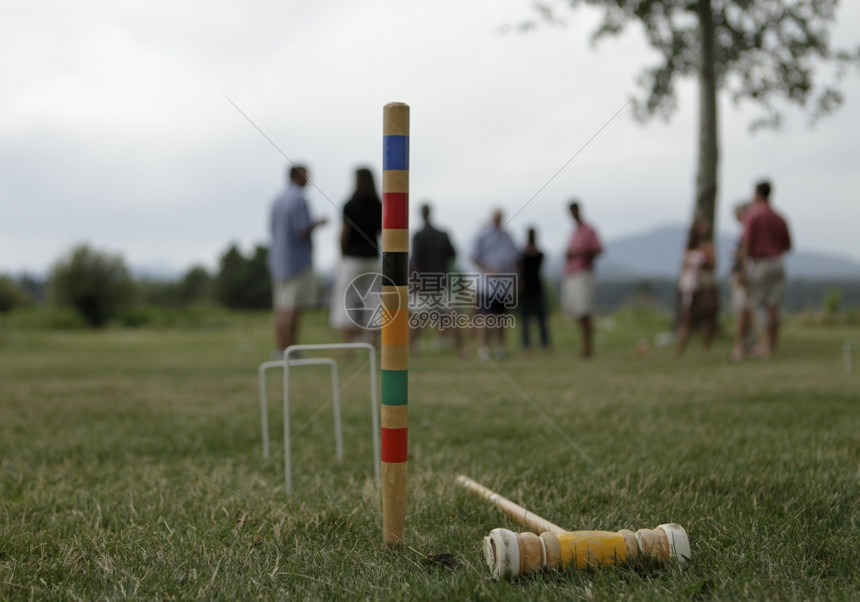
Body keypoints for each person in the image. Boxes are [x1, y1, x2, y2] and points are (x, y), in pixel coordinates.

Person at [267, 164, 327, 355]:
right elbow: (302, 230)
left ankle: (281, 349)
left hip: (277, 261)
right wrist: (318, 223)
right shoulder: (299, 199)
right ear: (296, 176)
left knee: (281, 308)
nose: (309, 180)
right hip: (296, 262)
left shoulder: (276, 200)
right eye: (306, 176)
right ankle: (290, 350)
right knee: (291, 309)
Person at [737, 180, 792, 359]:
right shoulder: (780, 217)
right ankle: (768, 347)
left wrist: (742, 269)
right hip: (779, 263)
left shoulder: (753, 215)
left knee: (748, 305)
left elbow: (746, 244)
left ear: (757, 194)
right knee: (772, 307)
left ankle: (741, 347)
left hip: (760, 264)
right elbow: (788, 245)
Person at [329, 167, 383, 343]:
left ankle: (349, 347)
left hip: (352, 258)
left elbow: (344, 232)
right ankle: (374, 344)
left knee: (346, 299)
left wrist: (342, 254)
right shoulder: (379, 205)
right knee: (374, 299)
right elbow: (383, 232)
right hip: (373, 258)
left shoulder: (350, 204)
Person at [409, 203, 461, 355]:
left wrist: (415, 282)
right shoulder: (443, 234)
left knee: (416, 318)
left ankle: (411, 350)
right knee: (452, 316)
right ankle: (461, 350)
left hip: (424, 283)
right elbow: (452, 254)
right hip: (441, 281)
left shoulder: (418, 235)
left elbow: (415, 261)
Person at [471, 208, 519, 359]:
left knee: (500, 317)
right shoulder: (483, 235)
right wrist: (488, 269)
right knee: (485, 316)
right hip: (487, 284)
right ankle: (484, 348)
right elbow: (474, 257)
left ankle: (500, 347)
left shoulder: (506, 235)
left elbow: (514, 257)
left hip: (503, 284)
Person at [562, 201, 602, 358]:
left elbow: (598, 249)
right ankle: (584, 345)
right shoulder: (574, 231)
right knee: (577, 311)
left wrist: (580, 252)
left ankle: (587, 347)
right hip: (572, 273)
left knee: (585, 310)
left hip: (583, 273)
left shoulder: (589, 230)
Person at [675, 217, 718, 355]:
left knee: (707, 317)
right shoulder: (689, 246)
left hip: (706, 285)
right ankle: (680, 347)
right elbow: (684, 265)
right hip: (691, 287)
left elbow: (713, 265)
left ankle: (705, 348)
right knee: (687, 318)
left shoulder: (710, 246)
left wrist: (704, 260)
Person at [729, 201, 755, 360]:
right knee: (744, 311)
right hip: (743, 272)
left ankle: (740, 346)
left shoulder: (748, 231)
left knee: (741, 310)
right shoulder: (746, 230)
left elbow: (745, 253)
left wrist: (741, 270)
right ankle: (747, 342)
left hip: (743, 273)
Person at [518, 227, 550, 352]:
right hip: (526, 288)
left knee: (541, 317)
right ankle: (526, 344)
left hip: (536, 287)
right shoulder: (523, 254)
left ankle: (545, 344)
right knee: (525, 318)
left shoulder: (538, 254)